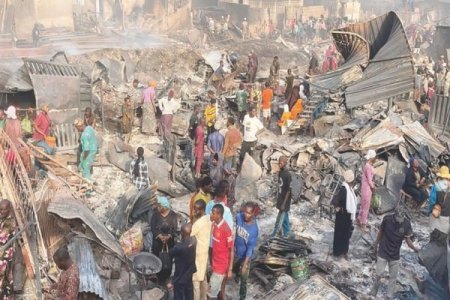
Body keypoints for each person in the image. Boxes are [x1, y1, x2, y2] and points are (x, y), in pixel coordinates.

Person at [370, 210, 419, 298]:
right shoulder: (387, 219)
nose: (400, 221)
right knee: (379, 274)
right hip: (383, 251)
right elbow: (380, 232)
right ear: (394, 216)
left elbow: (408, 240)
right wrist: (375, 244)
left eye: (402, 219)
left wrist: (415, 249)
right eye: (398, 219)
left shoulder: (406, 224)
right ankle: (373, 292)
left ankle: (389, 296)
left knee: (393, 277)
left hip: (395, 254)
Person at [233, 202, 259, 300]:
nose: (246, 215)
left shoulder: (254, 230)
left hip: (246, 256)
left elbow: (250, 248)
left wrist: (244, 265)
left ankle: (242, 297)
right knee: (235, 268)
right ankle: (237, 275)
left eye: (248, 213)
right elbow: (235, 231)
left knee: (244, 278)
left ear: (252, 214)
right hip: (237, 252)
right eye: (245, 212)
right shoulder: (239, 217)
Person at [151, 196, 178, 284]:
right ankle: (156, 277)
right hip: (157, 243)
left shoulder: (173, 215)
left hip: (168, 244)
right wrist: (159, 236)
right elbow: (152, 227)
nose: (157, 207)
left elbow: (174, 228)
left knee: (167, 261)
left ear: (164, 207)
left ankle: (165, 278)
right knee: (156, 259)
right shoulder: (155, 215)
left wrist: (168, 236)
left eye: (159, 206)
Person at [209, 204, 234, 300]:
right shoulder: (214, 224)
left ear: (219, 215)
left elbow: (231, 250)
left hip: (220, 267)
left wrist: (230, 269)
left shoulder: (226, 229)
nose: (211, 214)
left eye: (213, 213)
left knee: (210, 293)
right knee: (217, 291)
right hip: (214, 264)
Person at [331, 170, 357, 259]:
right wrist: (338, 207)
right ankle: (337, 252)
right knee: (340, 234)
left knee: (346, 234)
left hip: (347, 215)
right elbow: (335, 201)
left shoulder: (350, 189)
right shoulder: (343, 189)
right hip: (342, 215)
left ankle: (344, 251)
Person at [169, 223, 196, 300]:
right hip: (189, 274)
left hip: (180, 276)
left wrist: (177, 243)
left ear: (182, 233)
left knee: (178, 296)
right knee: (189, 295)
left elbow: (170, 253)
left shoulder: (179, 247)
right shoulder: (194, 242)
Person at [191, 200, 212, 300]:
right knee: (203, 281)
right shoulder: (209, 219)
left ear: (202, 209)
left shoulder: (197, 224)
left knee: (196, 284)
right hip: (205, 255)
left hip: (197, 256)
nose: (194, 212)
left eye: (196, 210)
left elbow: (189, 237)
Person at [4, 106, 32, 173]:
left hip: (11, 146)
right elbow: (20, 135)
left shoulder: (7, 122)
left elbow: (6, 135)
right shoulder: (18, 122)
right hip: (18, 145)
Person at [0, 200, 16, 299]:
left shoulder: (10, 222)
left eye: (3, 209)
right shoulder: (3, 219)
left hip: (4, 254)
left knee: (3, 277)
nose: (1, 211)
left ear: (9, 209)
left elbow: (2, 237)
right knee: (6, 277)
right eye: (0, 209)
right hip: (3, 252)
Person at [272, 156, 291, 237]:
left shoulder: (287, 175)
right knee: (285, 219)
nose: (280, 164)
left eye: (282, 162)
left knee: (279, 220)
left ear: (285, 163)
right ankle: (288, 234)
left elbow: (288, 191)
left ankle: (274, 235)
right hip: (281, 199)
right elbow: (280, 187)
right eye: (279, 162)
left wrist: (283, 203)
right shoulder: (280, 173)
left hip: (285, 201)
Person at [358, 150, 376, 232]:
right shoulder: (368, 167)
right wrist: (373, 187)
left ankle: (359, 219)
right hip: (367, 188)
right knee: (366, 206)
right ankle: (363, 224)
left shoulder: (367, 165)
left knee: (363, 204)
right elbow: (369, 179)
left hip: (365, 187)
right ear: (372, 157)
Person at [428, 165, 450, 234]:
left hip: (436, 213)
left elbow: (432, 201)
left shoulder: (436, 185)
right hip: (446, 215)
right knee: (443, 236)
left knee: (433, 235)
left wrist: (430, 210)